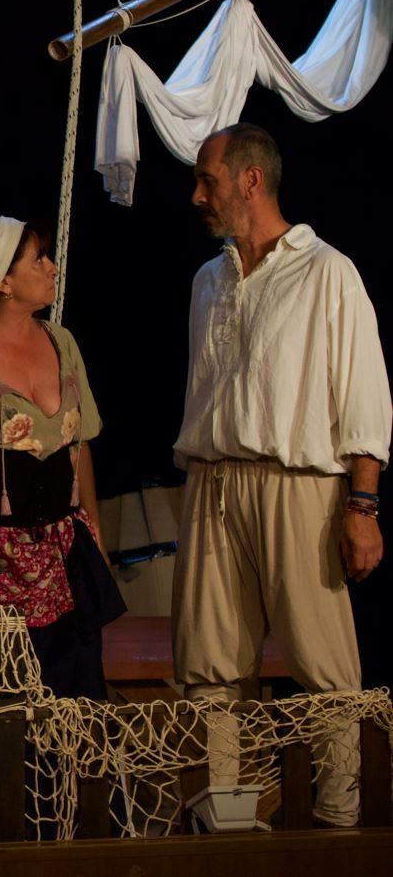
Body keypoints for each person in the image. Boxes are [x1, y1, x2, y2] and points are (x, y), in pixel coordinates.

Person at [173, 123, 389, 827]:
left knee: (324, 666)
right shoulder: (208, 280)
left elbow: (362, 396)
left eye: (207, 180)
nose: (197, 195)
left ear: (250, 180)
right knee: (207, 666)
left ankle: (339, 818)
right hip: (213, 482)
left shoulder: (326, 271)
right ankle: (221, 818)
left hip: (297, 484)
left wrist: (361, 505)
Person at [0, 216, 124, 700]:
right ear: (3, 281)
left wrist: (95, 535)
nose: (52, 267)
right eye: (39, 259)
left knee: (75, 703)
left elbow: (80, 447)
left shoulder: (62, 342)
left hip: (63, 561)